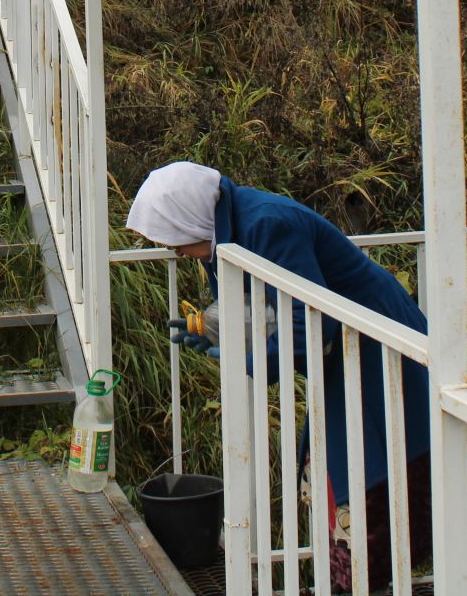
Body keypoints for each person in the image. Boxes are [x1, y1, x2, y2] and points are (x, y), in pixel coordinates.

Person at [126, 161, 433, 590]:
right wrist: (214, 328)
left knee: (373, 480)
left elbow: (308, 323)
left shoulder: (268, 226)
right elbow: (259, 303)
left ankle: (368, 577)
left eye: (174, 241)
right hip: (345, 354)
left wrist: (244, 362)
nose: (174, 252)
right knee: (337, 475)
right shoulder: (228, 231)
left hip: (380, 348)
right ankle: (355, 578)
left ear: (190, 218)